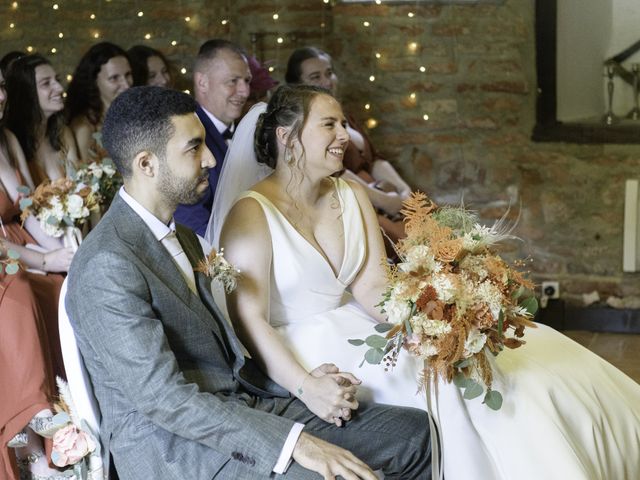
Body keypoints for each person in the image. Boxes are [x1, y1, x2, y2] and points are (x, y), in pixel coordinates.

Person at [215, 84, 640, 480]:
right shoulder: (251, 213)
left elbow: (372, 286)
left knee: (497, 358)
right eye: (329, 124)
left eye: (343, 123)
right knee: (443, 383)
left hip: (356, 326)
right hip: (300, 349)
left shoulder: (350, 195)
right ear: (287, 137)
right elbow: (250, 320)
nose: (344, 135)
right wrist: (307, 386)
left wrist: (436, 319)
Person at [65, 85, 431, 480]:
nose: (209, 159)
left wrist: (308, 383)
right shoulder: (107, 263)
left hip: (243, 406)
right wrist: (295, 442)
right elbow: (165, 400)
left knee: (416, 435)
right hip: (177, 450)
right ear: (147, 164)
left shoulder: (185, 239)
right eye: (193, 148)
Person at [0, 64, 72, 480]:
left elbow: (28, 206)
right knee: (24, 292)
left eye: (2, 88)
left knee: (64, 288)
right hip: (6, 254)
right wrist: (44, 261)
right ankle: (32, 431)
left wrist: (62, 252)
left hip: (17, 241)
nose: (1, 98)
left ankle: (67, 412)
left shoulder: (6, 138)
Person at [286, 46, 411, 249]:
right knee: (408, 244)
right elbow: (333, 173)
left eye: (329, 73)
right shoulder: (306, 126)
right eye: (315, 77)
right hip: (350, 206)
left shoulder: (344, 115)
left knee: (432, 221)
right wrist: (384, 202)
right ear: (297, 85)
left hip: (382, 196)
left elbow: (375, 158)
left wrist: (404, 191)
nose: (326, 81)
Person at [173, 38, 251, 237]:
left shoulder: (250, 130)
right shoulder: (186, 137)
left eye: (247, 81)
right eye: (232, 81)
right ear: (202, 83)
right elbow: (190, 221)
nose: (244, 91)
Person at [4, 54, 79, 185]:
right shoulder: (11, 142)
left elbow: (82, 184)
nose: (60, 88)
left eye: (57, 80)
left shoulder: (63, 133)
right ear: (26, 92)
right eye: (46, 83)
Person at [65, 42, 132, 162]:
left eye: (128, 75)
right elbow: (87, 176)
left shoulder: (133, 113)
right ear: (94, 81)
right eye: (114, 78)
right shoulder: (85, 127)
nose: (126, 85)